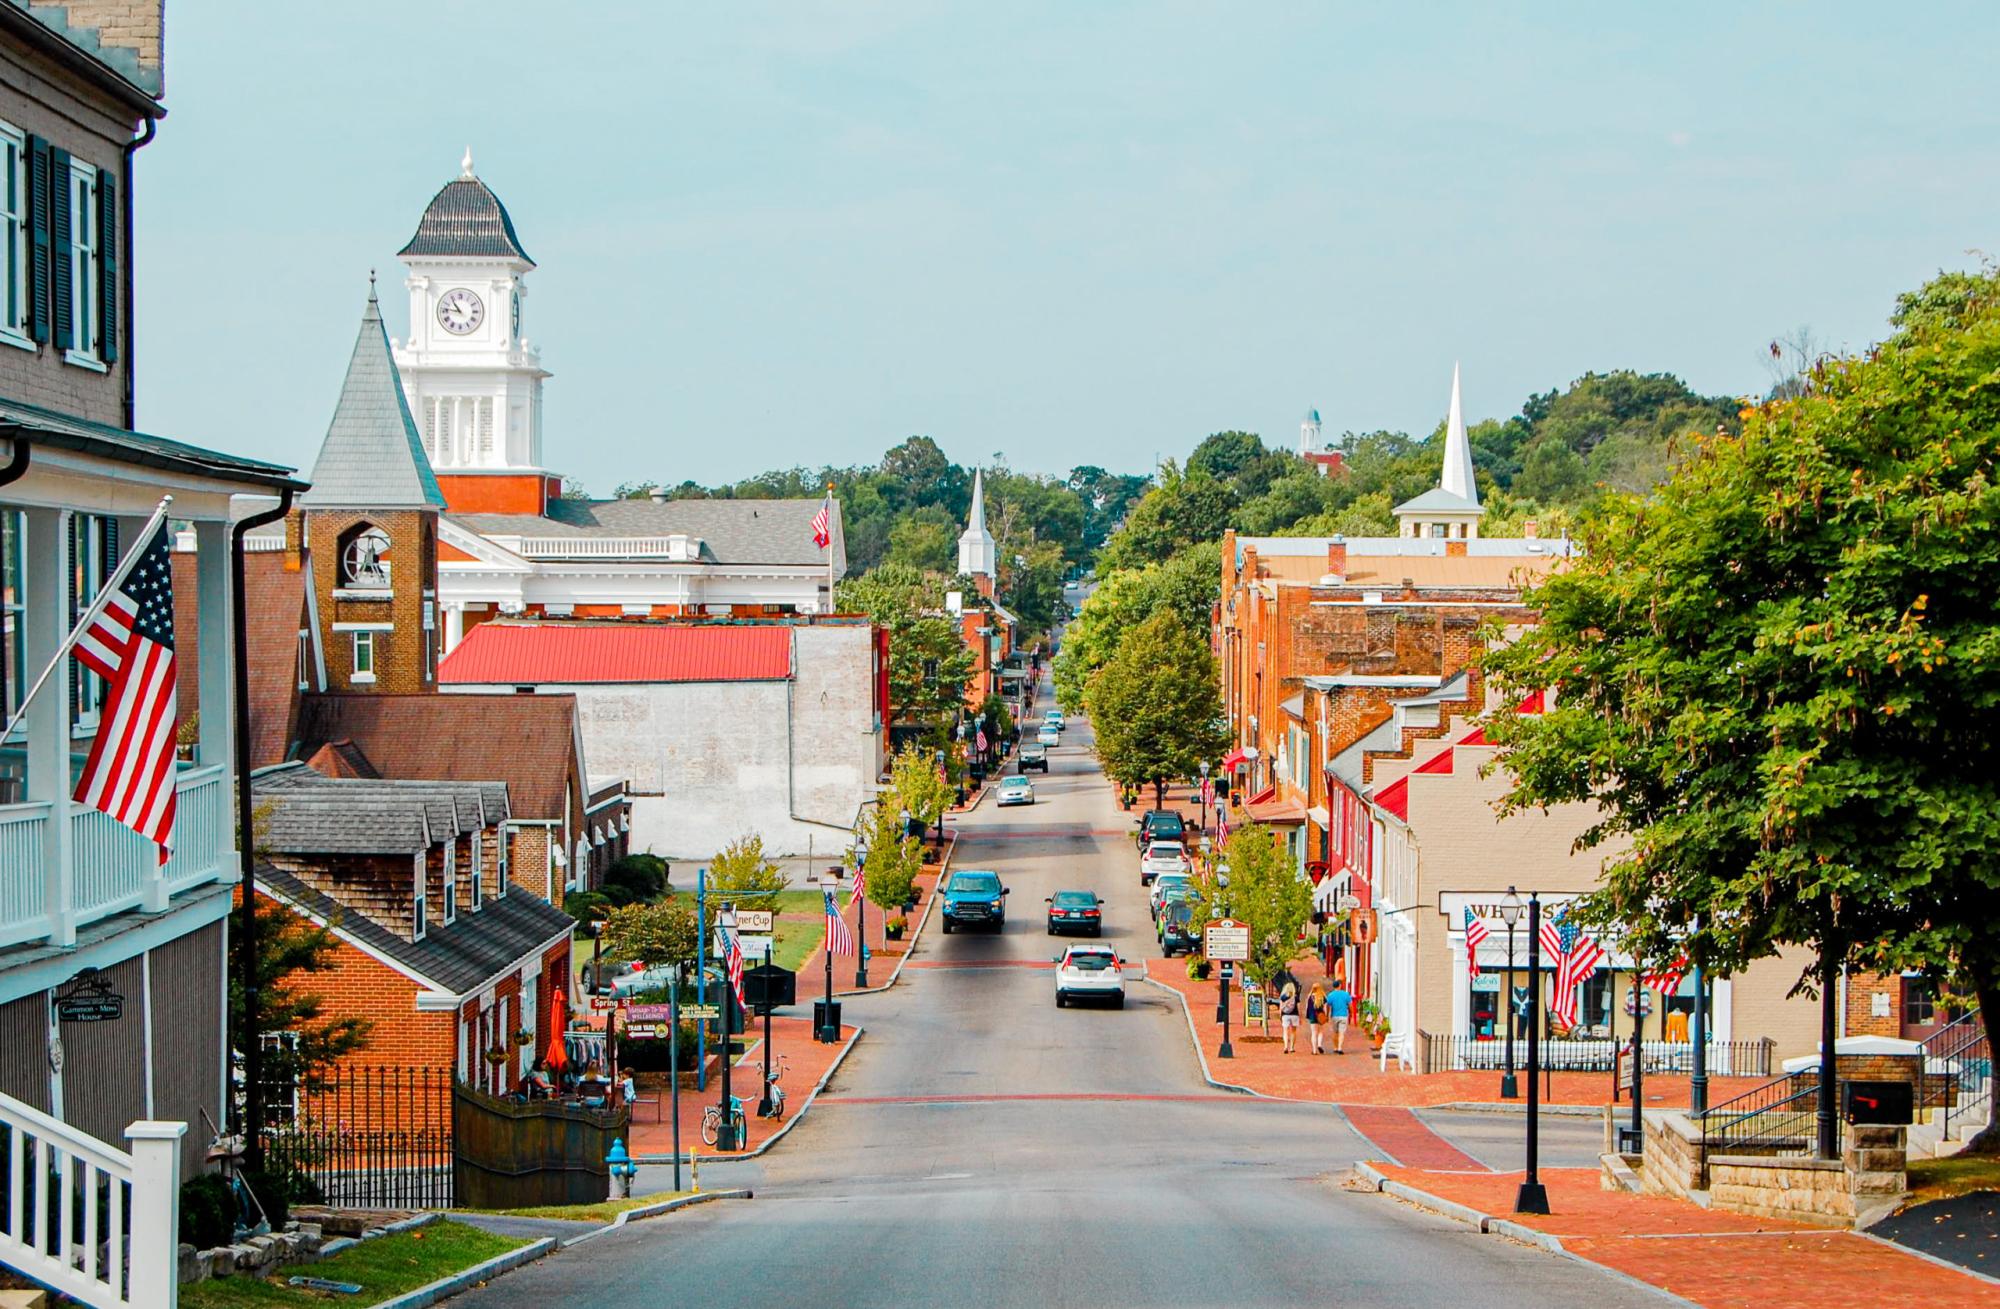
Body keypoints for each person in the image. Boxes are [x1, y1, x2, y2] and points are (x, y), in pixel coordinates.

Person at [1327, 980, 1353, 1054]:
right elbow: (1350, 1005)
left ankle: (1335, 1047)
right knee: (1341, 1033)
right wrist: (1351, 1012)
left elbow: (1328, 1006)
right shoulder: (1346, 994)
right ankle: (1340, 1047)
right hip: (1343, 1015)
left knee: (1335, 1033)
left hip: (1334, 1016)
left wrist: (1327, 1014)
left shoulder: (1331, 995)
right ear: (1340, 985)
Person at [1304, 983, 1329, 1055]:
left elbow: (1307, 1008)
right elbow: (1325, 1008)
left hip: (1312, 1016)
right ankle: (1319, 1045)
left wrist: (1308, 1015)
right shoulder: (1323, 997)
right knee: (1320, 1032)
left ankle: (1314, 1051)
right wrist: (1326, 1015)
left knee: (1314, 1033)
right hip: (1320, 1016)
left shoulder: (1310, 997)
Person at [1279, 979, 1301, 1053]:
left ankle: (1285, 1046)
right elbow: (1299, 1007)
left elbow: (1281, 1007)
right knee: (1293, 1031)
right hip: (1294, 1015)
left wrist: (1280, 1015)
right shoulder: (1296, 997)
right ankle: (1292, 1047)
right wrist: (1300, 1016)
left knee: (1285, 1031)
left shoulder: (1283, 997)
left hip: (1285, 1015)